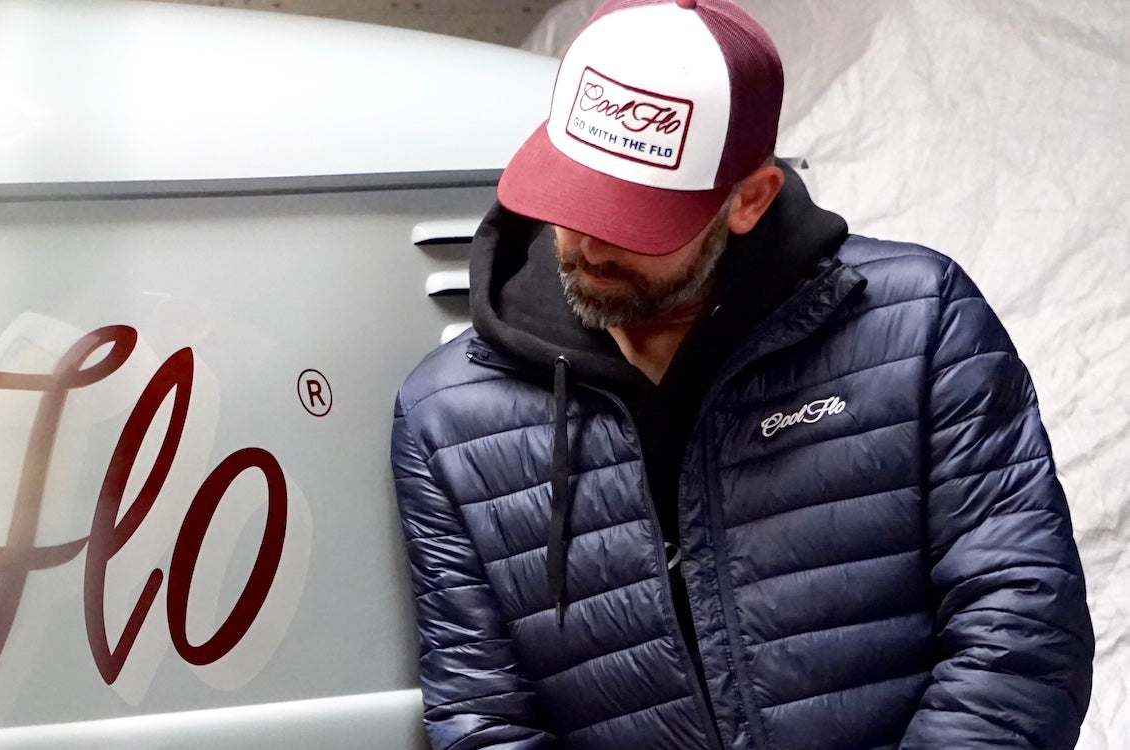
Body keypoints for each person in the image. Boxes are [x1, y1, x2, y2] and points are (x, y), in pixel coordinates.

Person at [389, 0, 1094, 747]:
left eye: (633, 217)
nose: (589, 242)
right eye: (574, 196)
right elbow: (484, 716)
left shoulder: (918, 326)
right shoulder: (447, 417)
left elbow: (1020, 626)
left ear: (747, 200)